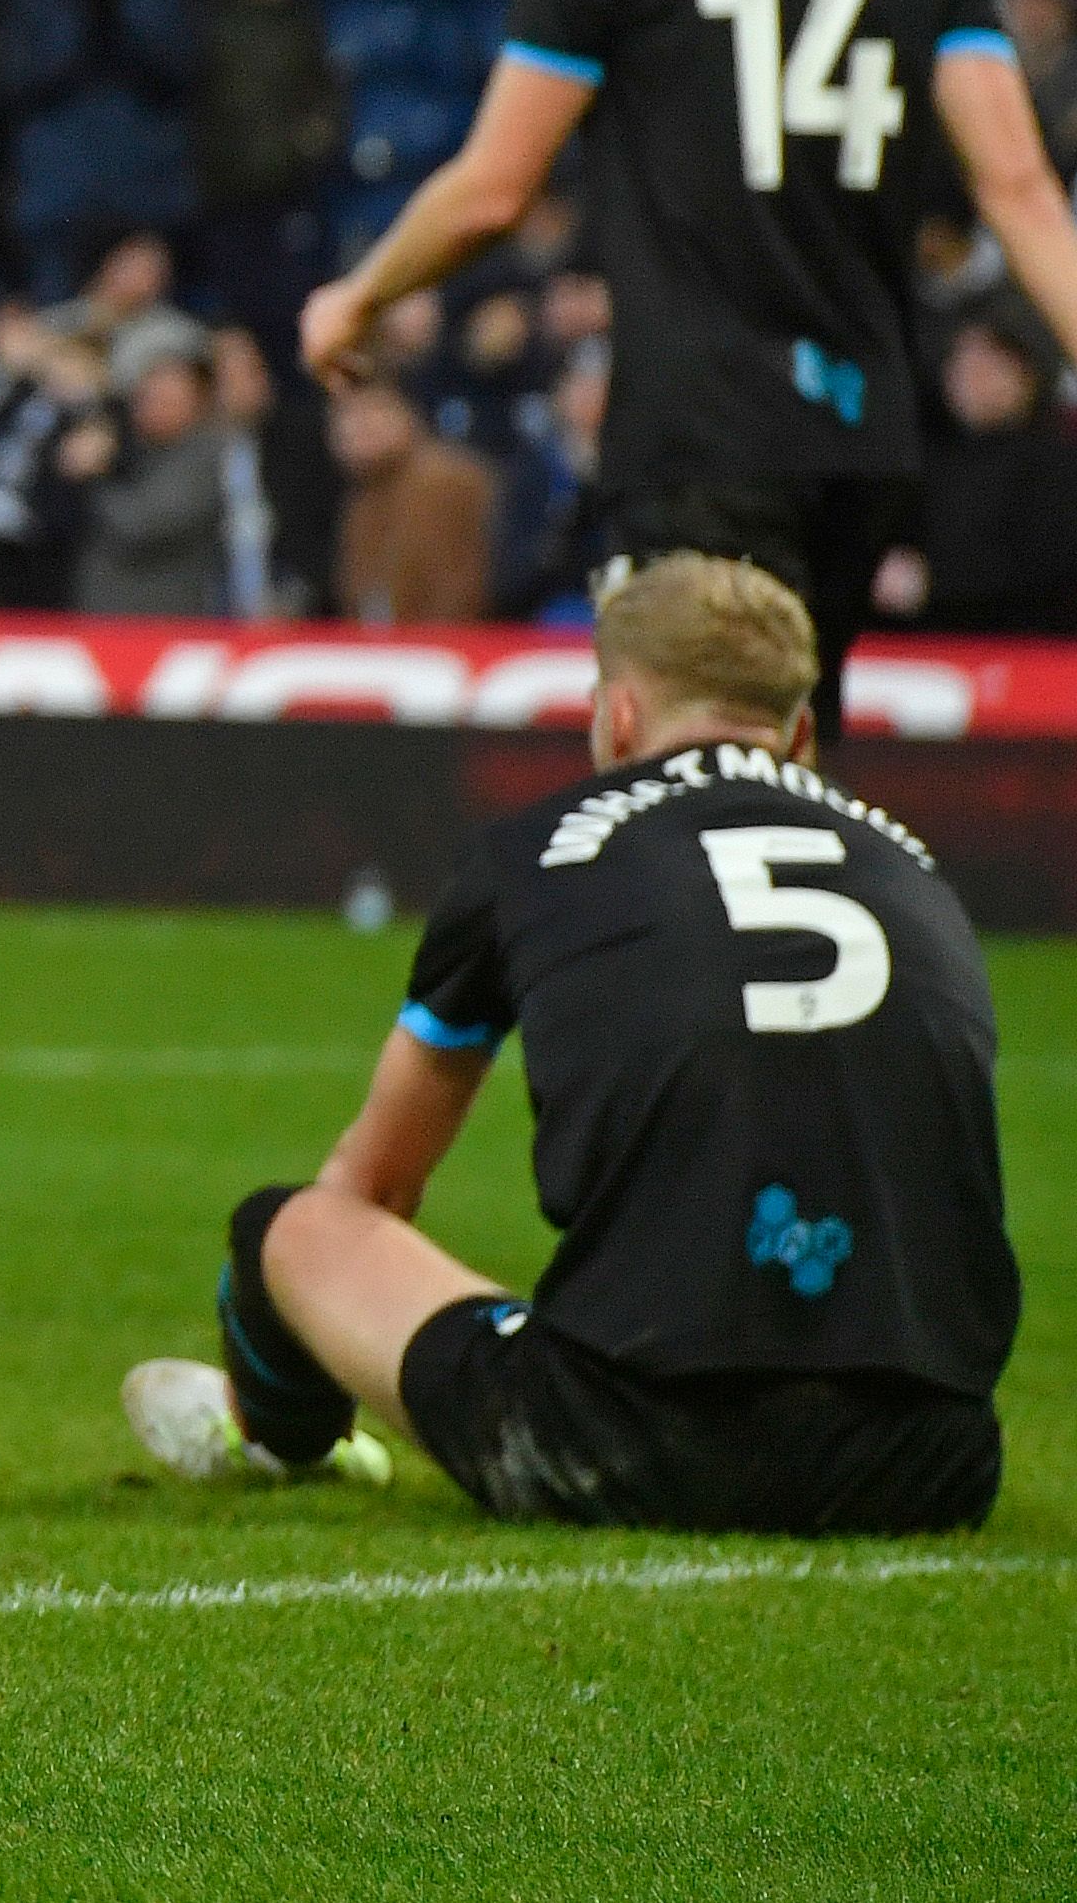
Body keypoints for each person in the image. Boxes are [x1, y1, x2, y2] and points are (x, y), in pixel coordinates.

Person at [127, 557, 1009, 1534]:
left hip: (632, 1440)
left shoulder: (533, 852)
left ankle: (280, 1438)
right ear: (800, 732)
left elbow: (376, 1188)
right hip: (935, 1457)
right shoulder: (916, 868)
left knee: (285, 1228)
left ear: (619, 714)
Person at [303, 0, 1077, 714]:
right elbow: (1025, 196)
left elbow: (494, 189)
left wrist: (361, 293)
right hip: (865, 447)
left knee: (680, 774)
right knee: (794, 757)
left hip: (700, 431)